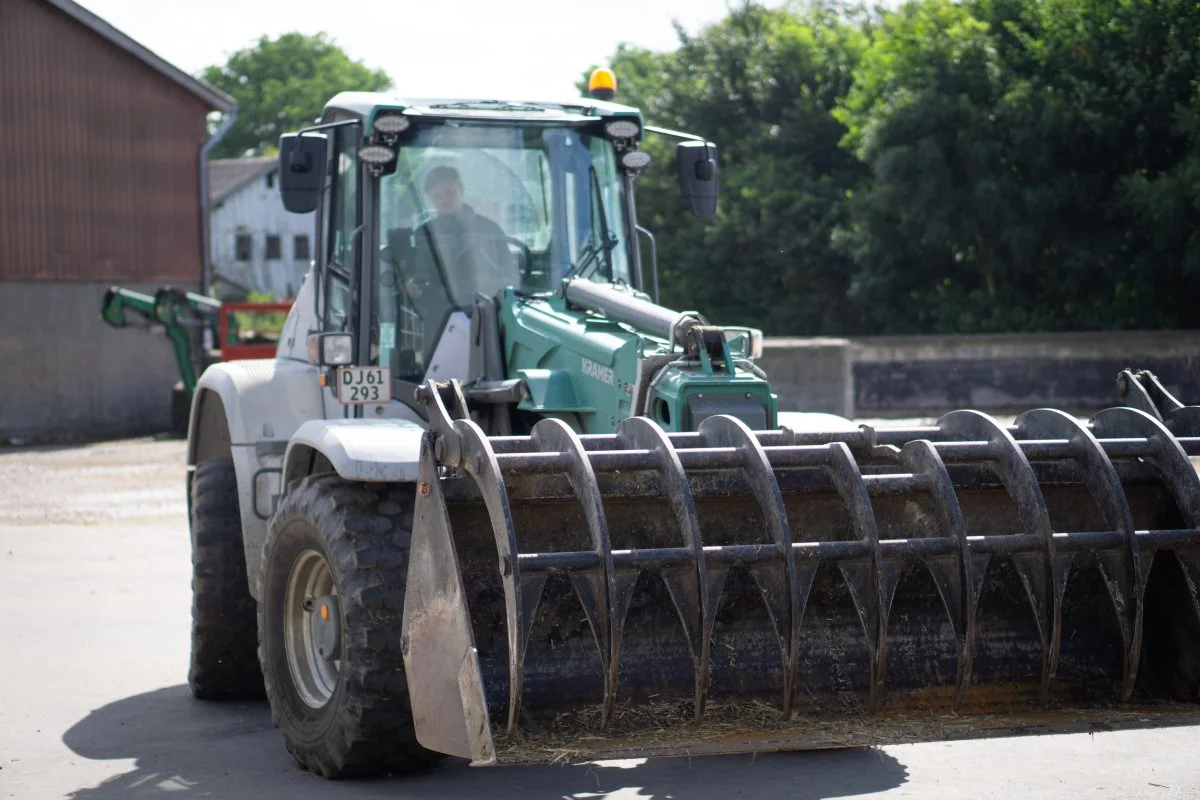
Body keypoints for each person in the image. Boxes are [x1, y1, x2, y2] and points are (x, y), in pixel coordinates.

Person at [411, 165, 514, 302]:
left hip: (486, 309)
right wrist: (414, 288)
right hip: (440, 311)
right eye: (437, 195)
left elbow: (508, 274)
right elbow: (419, 275)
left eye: (449, 192)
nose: (444, 199)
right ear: (430, 198)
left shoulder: (489, 229)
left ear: (461, 190)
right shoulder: (424, 234)